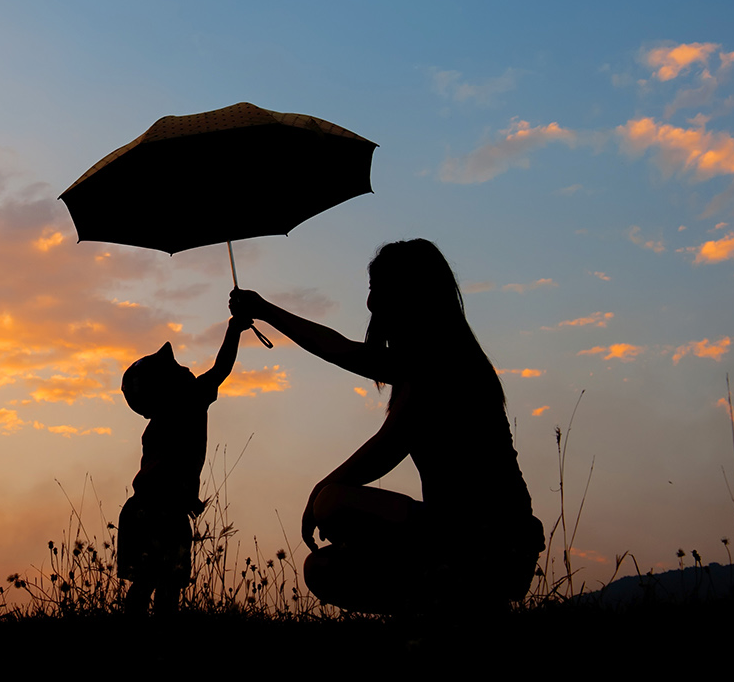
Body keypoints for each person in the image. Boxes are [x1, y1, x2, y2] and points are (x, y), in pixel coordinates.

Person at [230, 239, 543, 613]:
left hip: (491, 540)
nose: (371, 303)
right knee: (323, 568)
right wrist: (263, 309)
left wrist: (320, 491)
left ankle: (468, 601)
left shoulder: (446, 365)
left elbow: (388, 446)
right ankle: (441, 608)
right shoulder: (421, 362)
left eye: (379, 289)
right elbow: (339, 348)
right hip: (457, 536)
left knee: (333, 503)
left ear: (411, 293)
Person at [117, 315, 246, 616]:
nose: (187, 369)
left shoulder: (162, 419)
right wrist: (234, 328)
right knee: (166, 585)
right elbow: (222, 368)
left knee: (147, 582)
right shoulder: (187, 401)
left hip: (143, 509)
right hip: (162, 511)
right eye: (177, 369)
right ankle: (163, 641)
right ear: (165, 386)